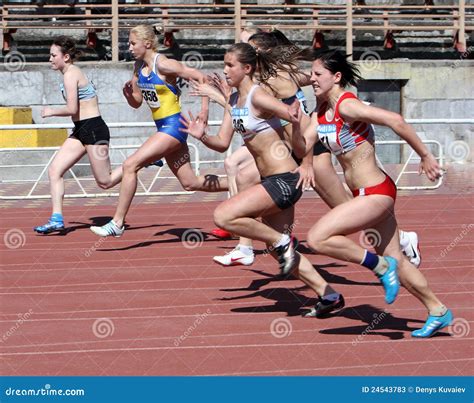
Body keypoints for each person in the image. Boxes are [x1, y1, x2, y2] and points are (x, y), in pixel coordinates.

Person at [181, 43, 349, 318]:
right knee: (274, 249)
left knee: (223, 216)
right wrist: (201, 135)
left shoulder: (259, 97)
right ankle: (329, 295)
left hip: (284, 179)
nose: (225, 71)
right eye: (224, 65)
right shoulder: (234, 101)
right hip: (271, 180)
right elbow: (222, 144)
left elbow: (302, 125)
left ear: (247, 68)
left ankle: (283, 242)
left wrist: (305, 157)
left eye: (230, 65)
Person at [302, 49, 452, 337]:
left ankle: (380, 266)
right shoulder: (320, 112)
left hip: (376, 192)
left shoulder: (347, 106)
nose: (312, 79)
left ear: (336, 77)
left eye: (317, 74)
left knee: (318, 238)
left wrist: (425, 155)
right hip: (364, 193)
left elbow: (395, 120)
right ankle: (438, 311)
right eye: (311, 74)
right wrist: (304, 157)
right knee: (401, 262)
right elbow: (305, 140)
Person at [90, 24, 227, 237]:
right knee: (190, 182)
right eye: (128, 43)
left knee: (129, 165)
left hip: (175, 126)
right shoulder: (137, 68)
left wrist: (204, 110)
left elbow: (202, 77)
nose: (129, 47)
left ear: (147, 43)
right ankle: (239, 184)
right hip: (163, 127)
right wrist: (128, 94)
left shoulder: (163, 64)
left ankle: (117, 223)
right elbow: (136, 102)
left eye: (133, 43)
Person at [34, 36, 123, 234]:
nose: (50, 59)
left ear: (65, 57)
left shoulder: (70, 74)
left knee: (105, 182)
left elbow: (72, 107)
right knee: (55, 171)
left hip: (93, 128)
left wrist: (51, 112)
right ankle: (56, 218)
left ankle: (143, 159)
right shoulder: (68, 73)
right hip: (81, 130)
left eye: (53, 55)